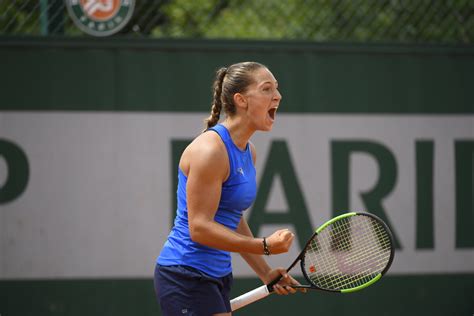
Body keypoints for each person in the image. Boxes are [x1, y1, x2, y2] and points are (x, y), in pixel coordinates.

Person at [154, 61, 302, 316]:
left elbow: (231, 218)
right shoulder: (210, 150)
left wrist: (265, 272)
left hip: (218, 275)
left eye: (276, 89)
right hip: (186, 274)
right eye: (267, 89)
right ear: (241, 100)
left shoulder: (248, 151)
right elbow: (199, 227)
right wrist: (264, 245)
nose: (278, 96)